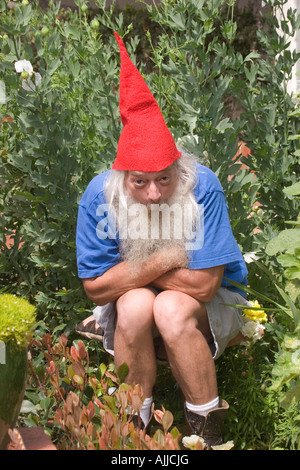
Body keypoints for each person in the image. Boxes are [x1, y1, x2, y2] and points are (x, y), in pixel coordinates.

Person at [76, 32, 250, 446]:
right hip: (140, 300)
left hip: (215, 304)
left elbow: (206, 285)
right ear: (122, 178)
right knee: (135, 305)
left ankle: (207, 436)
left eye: (164, 179)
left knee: (169, 308)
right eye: (140, 182)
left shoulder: (202, 185)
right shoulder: (99, 196)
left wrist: (133, 274)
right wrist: (164, 261)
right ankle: (132, 435)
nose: (154, 194)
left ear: (179, 169)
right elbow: (96, 288)